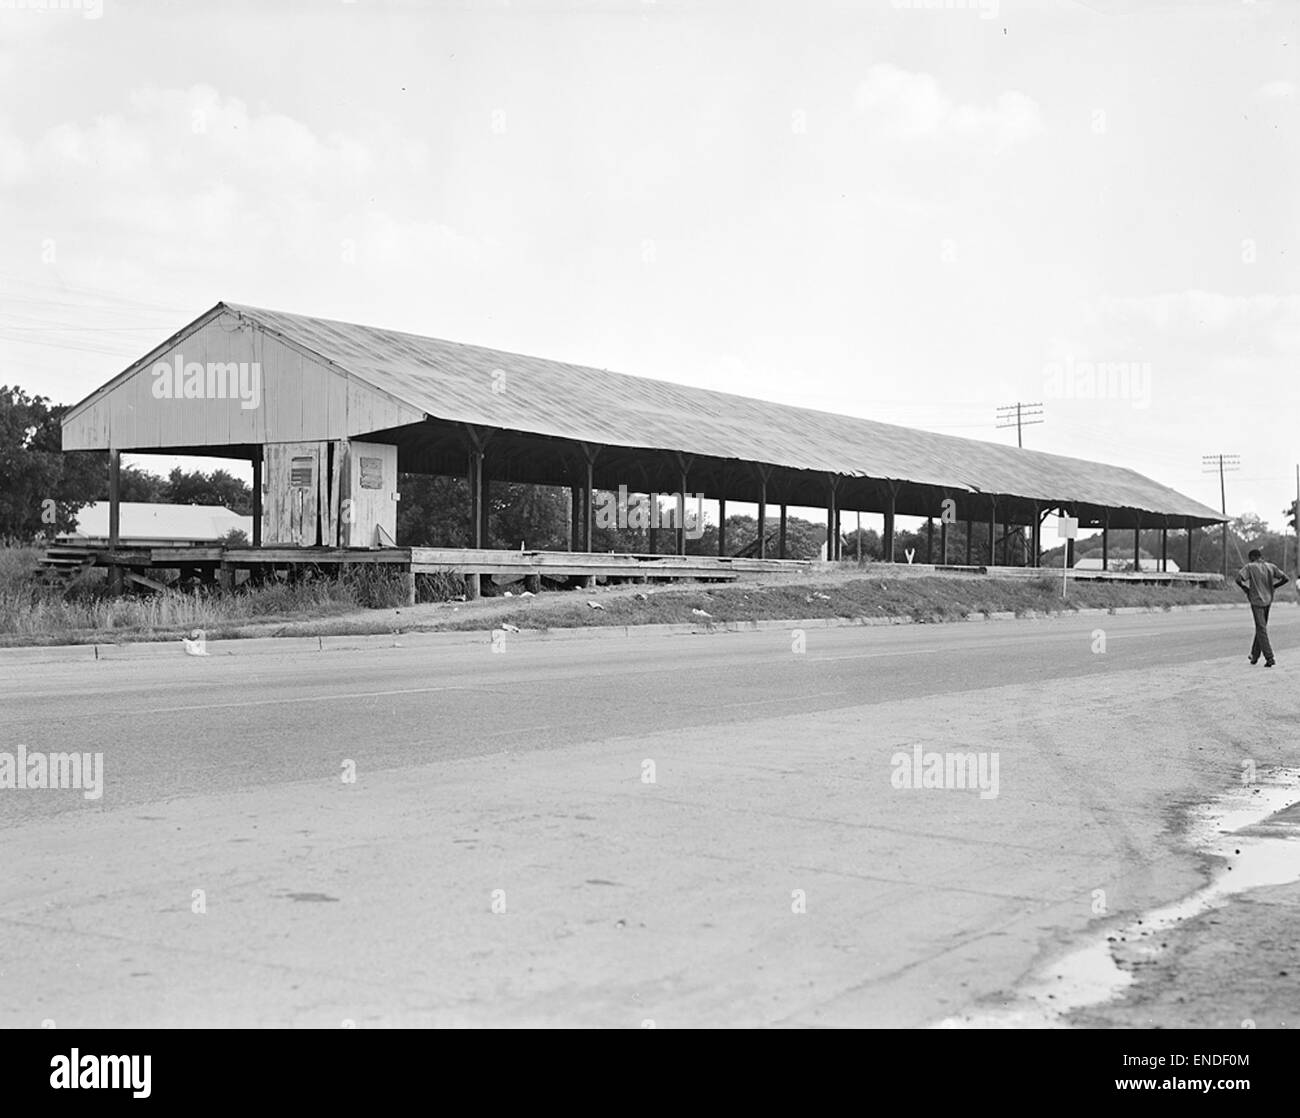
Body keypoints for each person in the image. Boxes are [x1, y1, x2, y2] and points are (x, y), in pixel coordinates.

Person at [1235, 548, 1289, 667]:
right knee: (1261, 628)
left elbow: (1238, 579)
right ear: (1260, 556)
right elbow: (1285, 578)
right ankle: (1254, 656)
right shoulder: (1271, 567)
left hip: (1256, 600)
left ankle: (1269, 657)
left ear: (1251, 558)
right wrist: (1274, 586)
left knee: (1261, 628)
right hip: (1268, 599)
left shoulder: (1250, 567)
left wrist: (1246, 589)